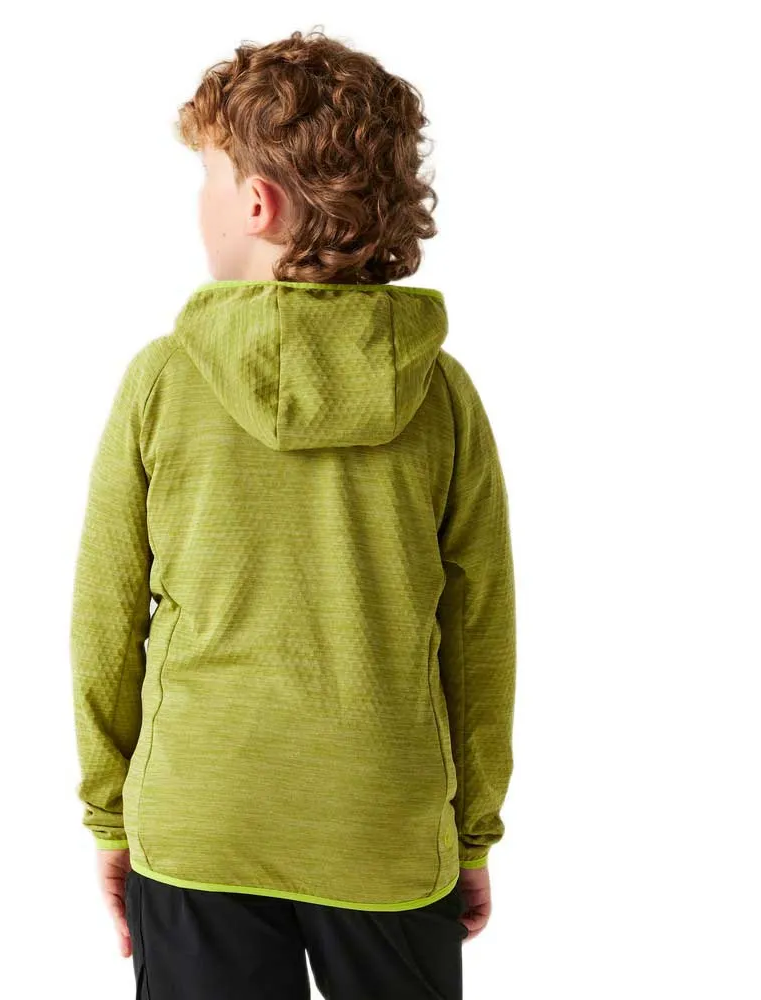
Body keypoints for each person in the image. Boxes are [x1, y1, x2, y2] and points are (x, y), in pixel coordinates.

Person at [70, 27, 516, 1000]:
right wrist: (471, 829)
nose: (200, 200)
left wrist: (111, 814)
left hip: (201, 816)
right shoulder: (441, 397)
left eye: (209, 176)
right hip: (382, 821)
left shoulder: (162, 381)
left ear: (257, 203)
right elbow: (478, 635)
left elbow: (105, 617)